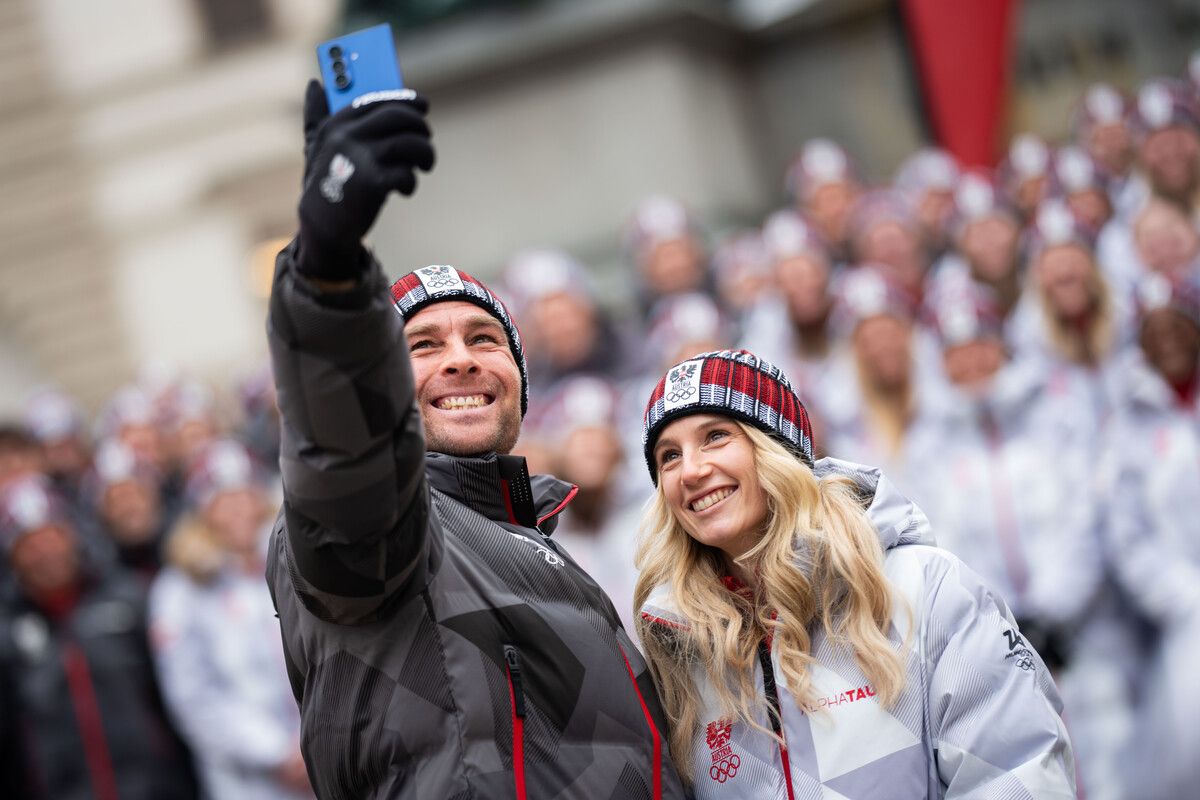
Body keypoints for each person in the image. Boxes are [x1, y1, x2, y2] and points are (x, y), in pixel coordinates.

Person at [264, 81, 685, 799]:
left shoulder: (540, 540)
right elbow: (346, 445)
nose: (461, 357)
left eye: (484, 338)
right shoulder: (376, 526)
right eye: (421, 345)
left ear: (519, 380)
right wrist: (328, 275)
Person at [633, 348, 1076, 798]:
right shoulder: (679, 643)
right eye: (669, 456)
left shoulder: (922, 586)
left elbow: (1018, 774)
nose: (690, 470)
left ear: (776, 448)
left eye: (715, 436)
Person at [0, 475, 198, 800]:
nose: (45, 552)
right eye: (29, 543)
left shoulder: (127, 598)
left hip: (152, 788)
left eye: (53, 536)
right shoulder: (9, 631)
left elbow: (172, 697)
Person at [149, 440, 311, 800]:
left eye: (244, 495)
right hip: (249, 781)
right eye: (223, 501)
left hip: (327, 759)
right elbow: (193, 696)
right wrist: (275, 753)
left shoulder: (294, 560)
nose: (238, 510)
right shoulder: (179, 590)